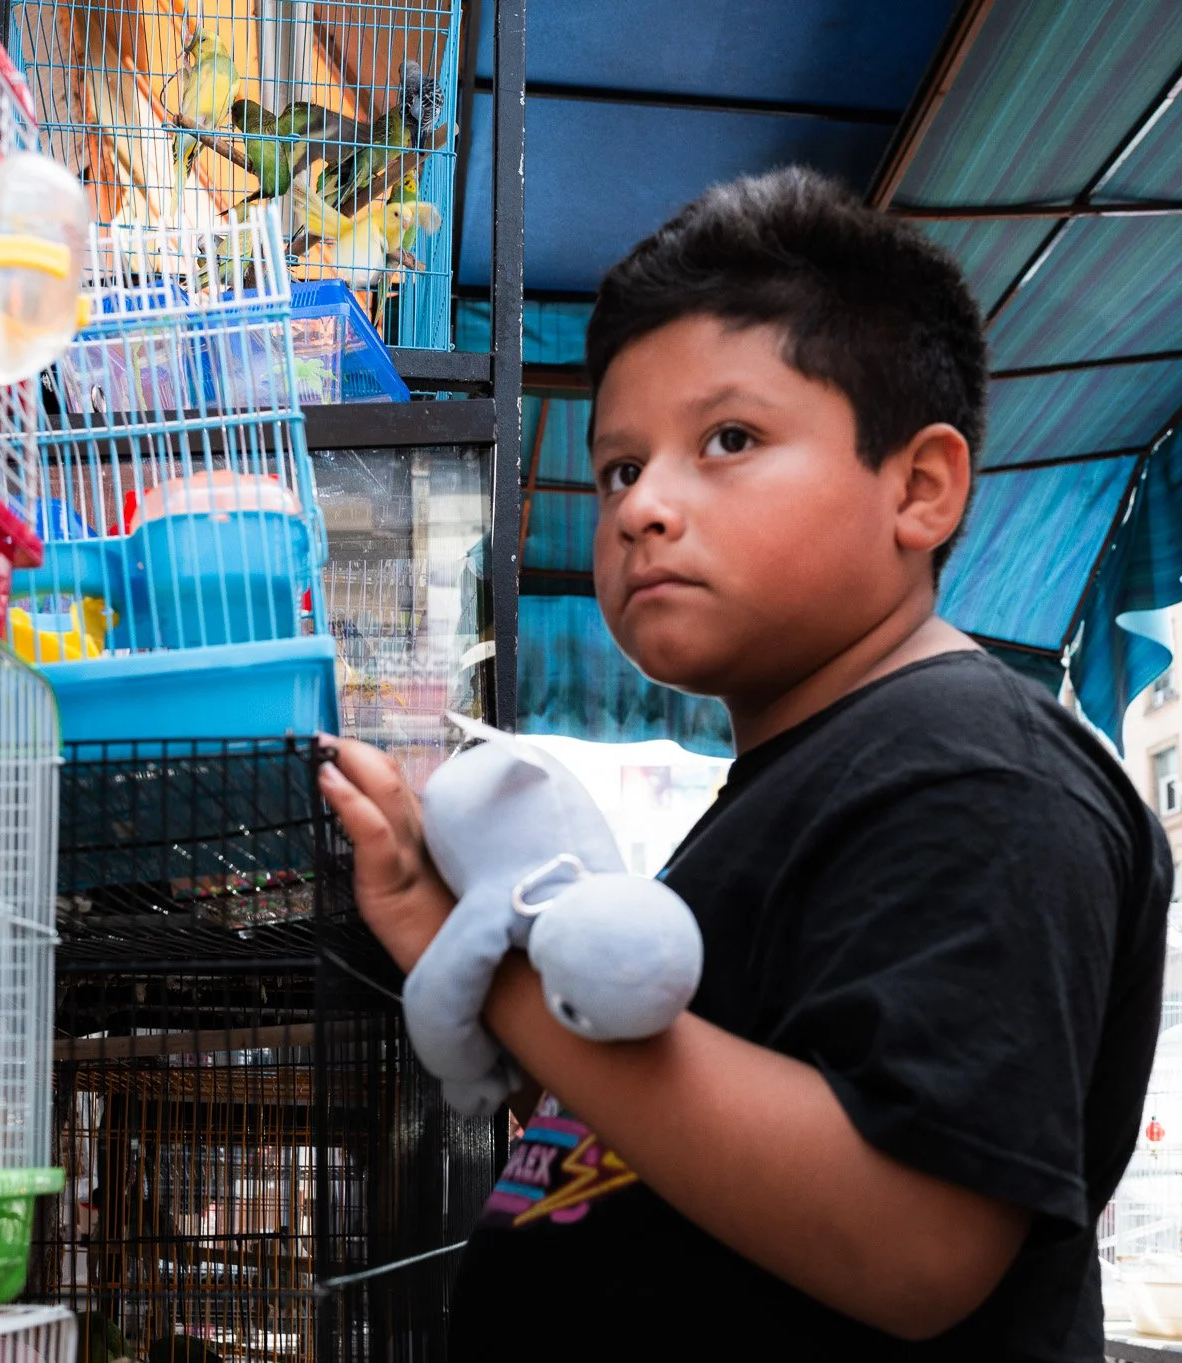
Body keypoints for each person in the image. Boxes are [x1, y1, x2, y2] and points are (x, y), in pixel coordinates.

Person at [318, 167, 1171, 1360]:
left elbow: (911, 1244)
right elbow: (643, 1158)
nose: (639, 507)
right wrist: (440, 935)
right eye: (618, 466)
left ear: (917, 487)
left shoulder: (976, 774)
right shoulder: (789, 785)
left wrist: (511, 973)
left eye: (727, 439)